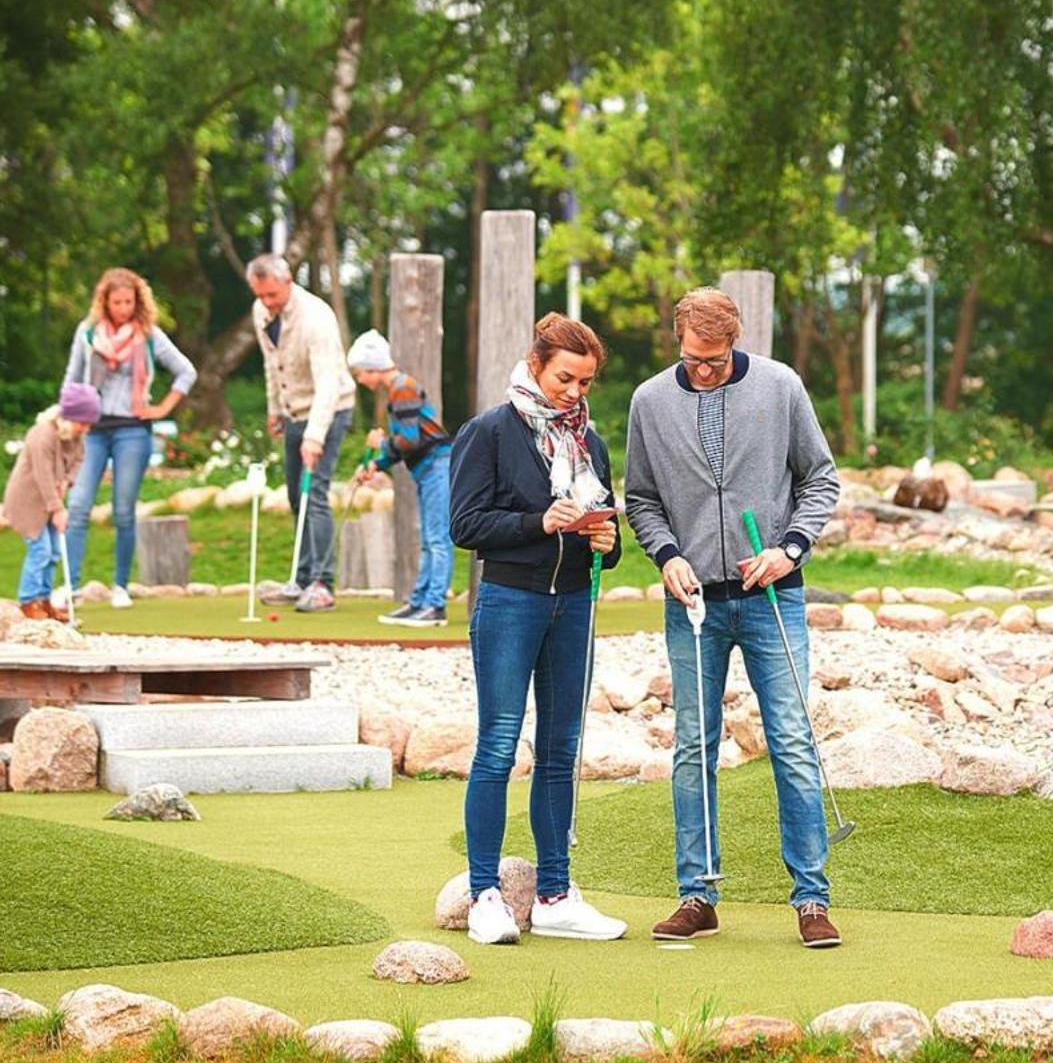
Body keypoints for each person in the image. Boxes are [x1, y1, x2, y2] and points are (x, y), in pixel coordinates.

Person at [623, 288, 845, 949]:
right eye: (694, 360)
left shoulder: (780, 387)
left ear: (735, 339)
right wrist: (665, 555)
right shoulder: (649, 401)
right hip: (694, 603)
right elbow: (640, 497)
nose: (705, 371)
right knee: (694, 746)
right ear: (679, 344)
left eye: (716, 360)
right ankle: (698, 894)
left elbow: (821, 478)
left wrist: (791, 548)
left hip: (773, 594)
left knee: (792, 739)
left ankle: (811, 898)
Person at [449, 312, 626, 944]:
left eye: (585, 383)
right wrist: (538, 523)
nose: (574, 393)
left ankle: (554, 896)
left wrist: (607, 540)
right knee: (498, 745)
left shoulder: (590, 443)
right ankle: (484, 896)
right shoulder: (489, 432)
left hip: (573, 604)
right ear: (535, 365)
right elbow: (466, 527)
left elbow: (607, 541)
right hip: (509, 601)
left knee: (560, 750)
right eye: (564, 378)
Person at [58, 267, 198, 610]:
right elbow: (72, 378)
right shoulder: (88, 333)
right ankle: (69, 584)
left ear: (138, 303)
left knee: (123, 510)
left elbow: (186, 371)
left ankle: (120, 585)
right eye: (117, 302)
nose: (123, 308)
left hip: (133, 430)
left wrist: (163, 407)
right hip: (91, 430)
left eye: (129, 302)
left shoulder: (148, 335)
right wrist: (65, 420)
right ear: (104, 302)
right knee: (78, 506)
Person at [248, 253, 355, 613]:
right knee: (297, 495)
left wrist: (315, 436)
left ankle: (323, 584)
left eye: (272, 295)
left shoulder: (316, 319)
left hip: (329, 409)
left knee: (317, 492)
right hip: (293, 410)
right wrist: (274, 408)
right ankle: (302, 577)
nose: (266, 303)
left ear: (288, 282)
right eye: (261, 295)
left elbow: (327, 384)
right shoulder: (261, 313)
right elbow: (269, 364)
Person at [346, 329, 455, 626]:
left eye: (360, 373)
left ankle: (435, 606)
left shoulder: (402, 388)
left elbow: (409, 439)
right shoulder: (397, 390)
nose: (360, 380)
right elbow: (402, 445)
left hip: (437, 465)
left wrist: (379, 445)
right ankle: (418, 602)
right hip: (427, 468)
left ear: (373, 367)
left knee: (437, 539)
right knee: (428, 539)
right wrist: (377, 465)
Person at [4, 384, 98, 621]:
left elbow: (79, 459)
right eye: (83, 422)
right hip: (28, 500)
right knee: (41, 550)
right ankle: (28, 602)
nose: (87, 428)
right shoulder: (42, 434)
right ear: (71, 416)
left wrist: (67, 481)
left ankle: (44, 602)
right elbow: (43, 476)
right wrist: (57, 509)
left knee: (55, 551)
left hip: (51, 497)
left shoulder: (76, 437)